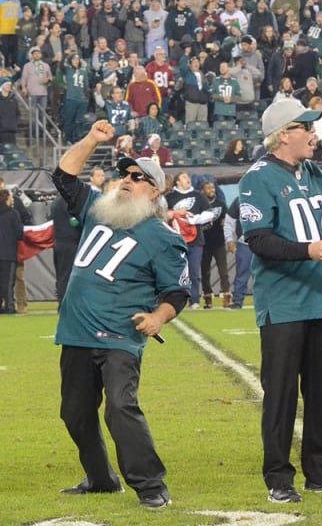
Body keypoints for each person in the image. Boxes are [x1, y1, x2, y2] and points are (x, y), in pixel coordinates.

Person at [51, 121, 188, 509]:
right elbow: (63, 175)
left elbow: (176, 291)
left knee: (120, 407)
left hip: (119, 336)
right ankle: (101, 479)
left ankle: (151, 485)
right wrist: (93, 140)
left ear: (155, 190)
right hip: (76, 331)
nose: (128, 180)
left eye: (139, 177)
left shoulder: (162, 236)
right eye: (125, 174)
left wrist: (159, 317)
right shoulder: (98, 209)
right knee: (75, 413)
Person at [238, 98, 322, 503]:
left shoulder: (312, 171)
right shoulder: (257, 178)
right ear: (283, 135)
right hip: (283, 303)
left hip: (317, 299)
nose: (314, 134)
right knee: (280, 395)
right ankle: (278, 477)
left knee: (319, 392)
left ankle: (321, 471)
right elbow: (258, 240)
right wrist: (307, 251)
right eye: (305, 127)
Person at [165, 172, 217, 309]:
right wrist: (176, 214)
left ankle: (194, 300)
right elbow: (162, 216)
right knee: (176, 272)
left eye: (188, 177)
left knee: (194, 272)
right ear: (177, 181)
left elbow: (210, 213)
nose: (188, 179)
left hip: (195, 240)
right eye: (184, 177)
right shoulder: (169, 197)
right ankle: (174, 301)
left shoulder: (198, 196)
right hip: (175, 240)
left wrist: (195, 219)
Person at [199, 181, 230, 309]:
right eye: (208, 188)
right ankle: (207, 297)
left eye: (212, 187)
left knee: (223, 271)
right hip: (204, 243)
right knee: (205, 273)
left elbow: (227, 219)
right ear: (202, 191)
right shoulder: (201, 205)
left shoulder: (221, 204)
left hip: (219, 242)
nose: (211, 189)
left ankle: (227, 296)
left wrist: (225, 221)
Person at [224, 197, 252, 310]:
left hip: (267, 241)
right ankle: (237, 301)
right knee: (242, 273)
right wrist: (229, 239)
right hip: (245, 242)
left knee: (270, 273)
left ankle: (274, 301)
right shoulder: (240, 199)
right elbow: (229, 220)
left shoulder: (268, 194)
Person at [0, 188, 21, 314]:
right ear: (7, 198)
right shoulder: (13, 213)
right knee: (8, 282)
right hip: (8, 252)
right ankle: (9, 306)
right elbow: (19, 233)